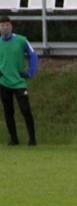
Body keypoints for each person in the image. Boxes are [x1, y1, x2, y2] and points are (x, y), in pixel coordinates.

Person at [0, 15, 37, 147]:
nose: (5, 27)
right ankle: (14, 139)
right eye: (2, 25)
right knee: (8, 112)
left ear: (11, 26)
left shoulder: (21, 40)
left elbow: (33, 54)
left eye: (7, 25)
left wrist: (31, 71)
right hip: (4, 82)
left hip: (19, 82)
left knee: (25, 110)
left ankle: (32, 139)